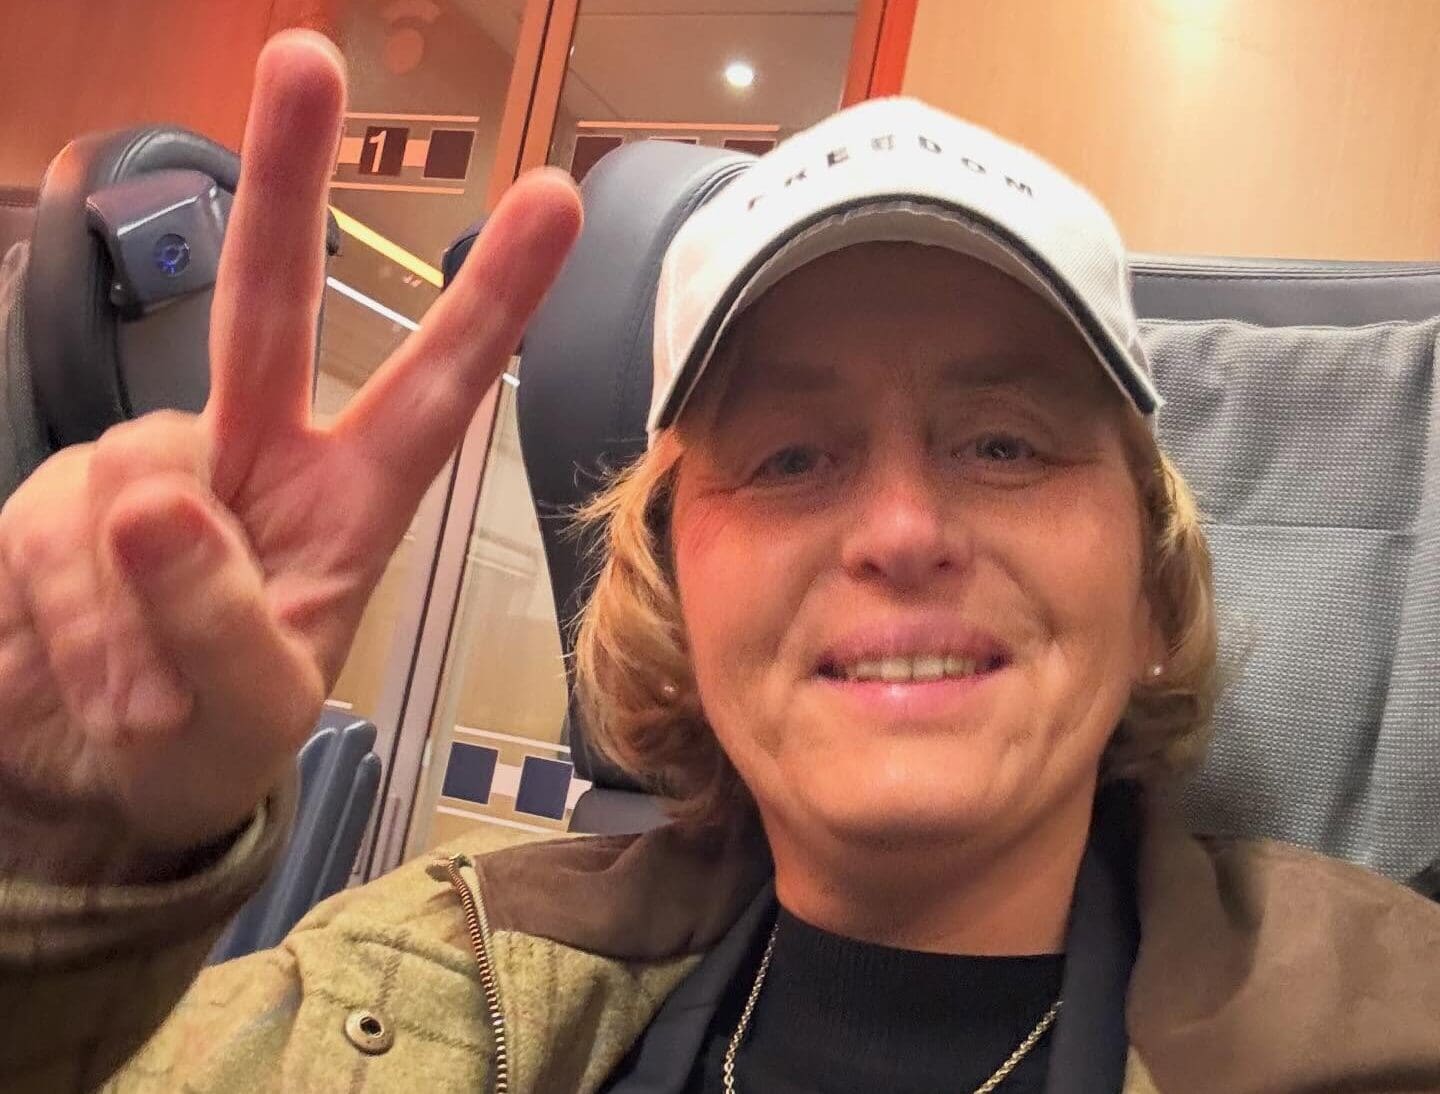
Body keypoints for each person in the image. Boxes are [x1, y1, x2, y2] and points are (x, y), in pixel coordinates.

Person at [1, 29, 1437, 1094]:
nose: (900, 532)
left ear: (1151, 595)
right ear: (674, 598)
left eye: (1004, 444)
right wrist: (55, 857)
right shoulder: (401, 992)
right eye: (792, 457)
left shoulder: (1389, 1026)